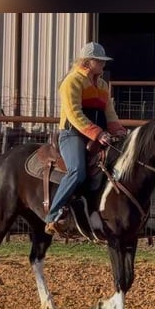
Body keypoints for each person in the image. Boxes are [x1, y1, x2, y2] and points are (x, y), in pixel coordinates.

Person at [44, 41, 128, 235]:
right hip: (72, 134)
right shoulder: (72, 81)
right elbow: (74, 114)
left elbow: (110, 113)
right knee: (77, 171)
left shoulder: (102, 84)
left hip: (96, 135)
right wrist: (98, 133)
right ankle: (53, 215)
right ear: (88, 62)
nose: (103, 65)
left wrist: (119, 131)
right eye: (99, 61)